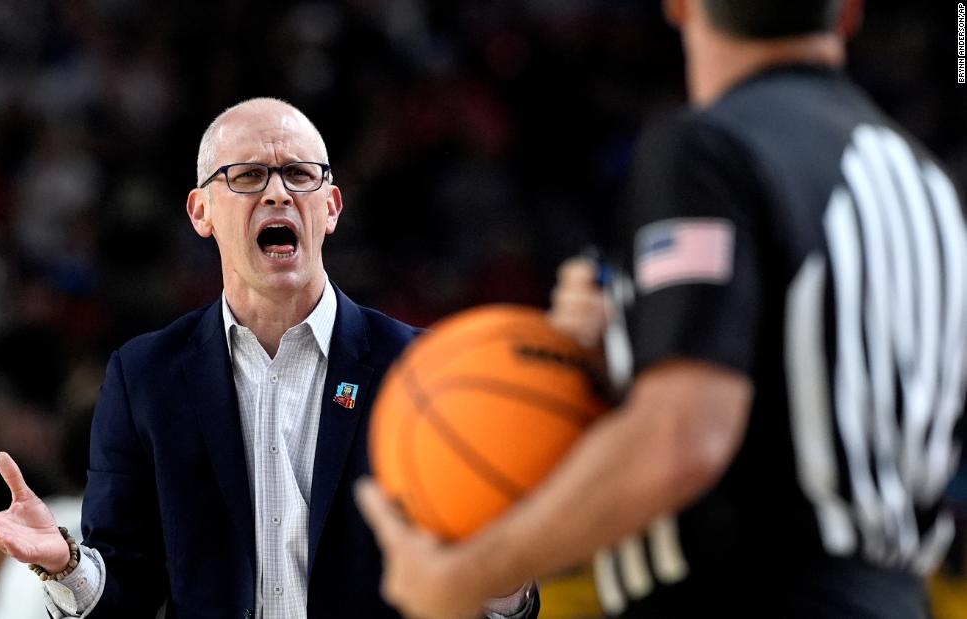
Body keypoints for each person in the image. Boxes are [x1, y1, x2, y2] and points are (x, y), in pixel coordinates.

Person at [357, 1, 967, 617]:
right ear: (849, 13)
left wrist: (466, 575)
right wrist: (627, 342)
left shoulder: (709, 146)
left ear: (678, 5)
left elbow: (685, 436)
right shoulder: (929, 187)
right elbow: (818, 398)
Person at [0, 98, 537, 618]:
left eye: (299, 175)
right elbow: (123, 595)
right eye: (249, 175)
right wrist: (65, 565)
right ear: (201, 212)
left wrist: (501, 576)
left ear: (330, 207)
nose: (278, 191)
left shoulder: (423, 368)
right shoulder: (143, 376)